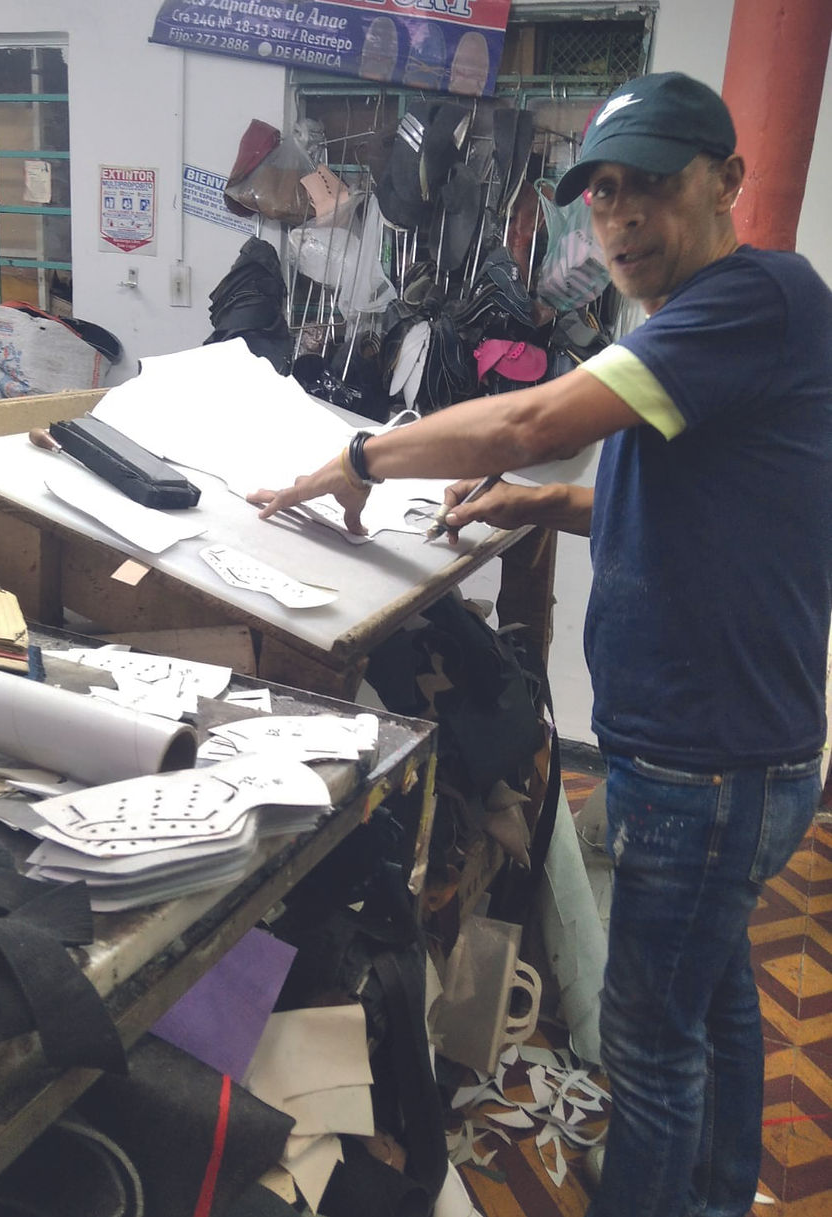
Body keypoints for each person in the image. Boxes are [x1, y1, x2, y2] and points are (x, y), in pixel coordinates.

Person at [248, 71, 832, 1217]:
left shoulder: (748, 301)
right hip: (728, 754)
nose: (619, 217)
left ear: (726, 182)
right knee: (712, 997)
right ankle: (717, 1196)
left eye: (649, 186)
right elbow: (703, 506)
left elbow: (528, 416)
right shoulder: (713, 325)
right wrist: (543, 504)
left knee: (649, 1047)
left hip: (705, 766)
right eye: (600, 192)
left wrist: (356, 459)